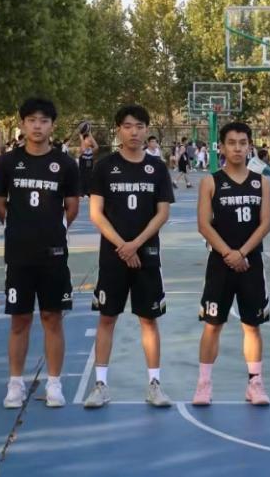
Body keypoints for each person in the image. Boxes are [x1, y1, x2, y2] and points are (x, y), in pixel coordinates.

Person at [0, 98, 80, 409]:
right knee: (20, 320)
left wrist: (52, 229)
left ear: (52, 125)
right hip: (18, 254)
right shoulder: (7, 162)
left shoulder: (65, 164)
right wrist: (19, 227)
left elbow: (72, 206)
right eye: (32, 120)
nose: (37, 126)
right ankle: (15, 384)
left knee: (52, 318)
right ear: (23, 124)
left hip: (53, 253)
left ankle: (54, 384)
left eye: (43, 120)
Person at [85, 105, 174, 409]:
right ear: (118, 130)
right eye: (127, 126)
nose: (134, 132)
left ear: (146, 129)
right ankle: (100, 385)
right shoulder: (104, 167)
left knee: (148, 319)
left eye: (139, 126)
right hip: (113, 256)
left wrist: (135, 244)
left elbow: (162, 213)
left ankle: (154, 385)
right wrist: (123, 246)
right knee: (107, 317)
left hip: (146, 254)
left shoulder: (157, 168)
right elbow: (96, 214)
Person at [192, 122, 270, 406]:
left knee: (252, 326)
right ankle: (204, 384)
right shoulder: (211, 182)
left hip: (251, 265)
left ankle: (255, 384)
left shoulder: (261, 182)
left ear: (249, 146)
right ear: (222, 147)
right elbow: (204, 225)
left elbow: (265, 224)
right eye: (232, 143)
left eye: (242, 143)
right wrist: (229, 253)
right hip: (220, 264)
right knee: (212, 325)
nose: (237, 148)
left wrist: (242, 253)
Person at [78, 129, 98, 197]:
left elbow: (96, 147)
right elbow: (83, 149)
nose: (90, 140)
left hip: (89, 183)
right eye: (88, 139)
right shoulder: (82, 150)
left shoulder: (90, 150)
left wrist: (90, 134)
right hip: (82, 185)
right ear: (84, 140)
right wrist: (81, 139)